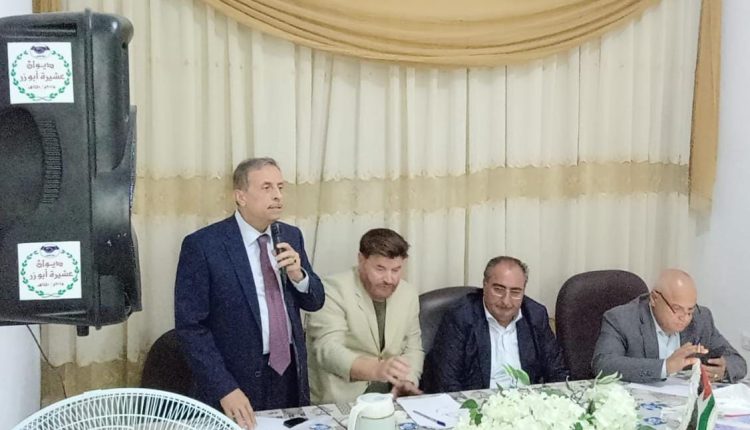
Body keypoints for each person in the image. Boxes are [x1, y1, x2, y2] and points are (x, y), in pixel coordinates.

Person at [174, 157, 325, 429]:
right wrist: (224, 388)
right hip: (235, 379)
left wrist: (298, 276)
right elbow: (191, 327)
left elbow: (315, 301)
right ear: (240, 196)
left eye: (280, 187)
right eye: (267, 187)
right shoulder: (204, 245)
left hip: (288, 375)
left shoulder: (290, 235)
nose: (278, 195)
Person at [306, 228, 424, 404]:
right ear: (361, 260)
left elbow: (413, 348)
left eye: (396, 270)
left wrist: (408, 381)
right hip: (342, 401)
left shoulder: (408, 294)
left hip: (391, 399)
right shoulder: (331, 290)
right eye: (380, 269)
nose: (389, 279)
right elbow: (327, 349)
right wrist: (376, 369)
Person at [421, 256, 568, 393]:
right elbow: (447, 382)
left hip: (526, 403)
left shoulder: (535, 315)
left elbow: (557, 372)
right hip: (476, 406)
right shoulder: (461, 317)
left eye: (515, 292)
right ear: (485, 285)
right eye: (498, 290)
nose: (506, 301)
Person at [592, 269, 747, 383]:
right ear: (654, 299)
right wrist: (666, 366)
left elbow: (738, 362)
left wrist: (723, 369)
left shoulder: (701, 318)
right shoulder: (622, 319)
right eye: (676, 309)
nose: (685, 318)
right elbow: (603, 365)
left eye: (690, 310)